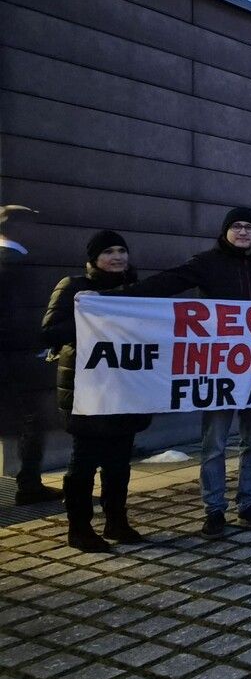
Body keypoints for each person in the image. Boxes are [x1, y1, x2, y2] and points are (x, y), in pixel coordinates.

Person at [101, 208, 251, 538]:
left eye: (250, 227)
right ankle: (214, 510)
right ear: (225, 232)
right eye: (237, 226)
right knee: (215, 444)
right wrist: (115, 300)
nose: (244, 232)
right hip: (219, 369)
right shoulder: (207, 262)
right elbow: (167, 282)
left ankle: (249, 504)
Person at [42, 231, 151, 552]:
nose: (117, 256)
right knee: (85, 460)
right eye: (108, 251)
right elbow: (49, 332)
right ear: (93, 259)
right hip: (86, 390)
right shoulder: (73, 288)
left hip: (126, 388)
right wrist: (94, 317)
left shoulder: (136, 291)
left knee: (119, 460)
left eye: (121, 250)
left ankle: (117, 521)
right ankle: (79, 528)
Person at [0, 205, 57, 505]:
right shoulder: (16, 263)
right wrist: (39, 346)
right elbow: (19, 317)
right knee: (32, 421)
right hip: (18, 361)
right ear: (20, 228)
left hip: (11, 358)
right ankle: (29, 485)